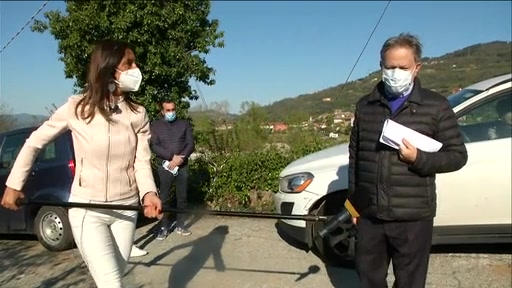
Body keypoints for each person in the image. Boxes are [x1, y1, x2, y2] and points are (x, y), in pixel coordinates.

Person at [0, 39, 162, 288]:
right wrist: (14, 183)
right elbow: (34, 142)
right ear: (109, 68)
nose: (136, 67)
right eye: (129, 63)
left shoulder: (138, 114)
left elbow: (141, 160)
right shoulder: (77, 108)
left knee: (116, 274)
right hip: (87, 209)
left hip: (125, 209)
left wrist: (149, 192)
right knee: (112, 284)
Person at [348, 33, 468, 288]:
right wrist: (353, 207)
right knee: (368, 277)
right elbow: (356, 157)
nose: (395, 73)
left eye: (402, 67)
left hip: (413, 217)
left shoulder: (436, 106)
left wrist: (419, 158)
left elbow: (457, 156)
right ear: (381, 66)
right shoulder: (365, 106)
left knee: (410, 282)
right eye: (390, 67)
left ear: (417, 67)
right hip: (370, 215)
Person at [150, 100, 195, 240]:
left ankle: (180, 224)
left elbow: (190, 143)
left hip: (182, 166)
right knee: (164, 197)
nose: (171, 112)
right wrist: (171, 157)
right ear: (162, 112)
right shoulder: (155, 126)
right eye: (168, 110)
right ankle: (164, 226)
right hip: (164, 166)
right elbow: (154, 146)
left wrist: (180, 158)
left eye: (173, 109)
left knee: (182, 197)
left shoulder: (184, 124)